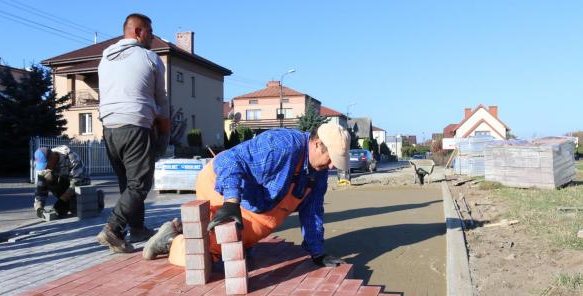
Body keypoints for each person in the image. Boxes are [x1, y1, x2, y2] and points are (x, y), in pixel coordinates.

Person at [144, 123, 351, 268]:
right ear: (316, 144)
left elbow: (312, 210)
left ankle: (185, 228)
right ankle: (172, 240)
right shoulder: (280, 146)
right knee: (211, 254)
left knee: (239, 248)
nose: (332, 166)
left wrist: (317, 252)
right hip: (220, 184)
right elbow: (230, 161)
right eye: (331, 158)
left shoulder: (319, 171)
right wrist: (231, 202)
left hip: (253, 201)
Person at [96, 13, 170, 253]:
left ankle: (137, 228)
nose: (153, 36)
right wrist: (164, 136)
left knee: (127, 183)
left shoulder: (105, 58)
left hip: (109, 129)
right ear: (138, 31)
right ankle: (114, 229)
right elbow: (162, 101)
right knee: (139, 183)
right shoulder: (151, 58)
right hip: (136, 125)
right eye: (150, 30)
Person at [34, 146, 100, 218]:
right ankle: (66, 204)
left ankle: (98, 198)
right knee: (47, 176)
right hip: (65, 185)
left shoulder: (71, 158)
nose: (45, 168)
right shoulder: (43, 168)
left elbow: (76, 182)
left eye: (46, 165)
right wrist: (39, 207)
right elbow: (40, 189)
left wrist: (62, 200)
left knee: (78, 210)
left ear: (52, 158)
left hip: (79, 185)